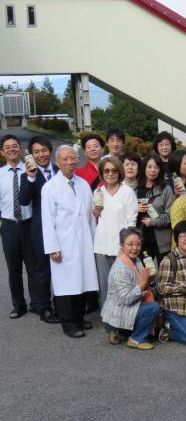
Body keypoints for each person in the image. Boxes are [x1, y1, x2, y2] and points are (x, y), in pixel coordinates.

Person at [41, 145, 99, 338]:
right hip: (63, 243)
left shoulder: (83, 184)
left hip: (83, 241)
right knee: (65, 284)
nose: (69, 162)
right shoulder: (50, 188)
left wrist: (94, 242)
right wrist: (52, 248)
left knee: (81, 281)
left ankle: (79, 317)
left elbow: (90, 216)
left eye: (72, 158)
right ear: (57, 162)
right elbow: (47, 221)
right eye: (65, 159)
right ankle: (68, 323)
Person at [17, 135, 59, 323]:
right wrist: (31, 177)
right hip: (41, 230)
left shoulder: (59, 170)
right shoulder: (27, 175)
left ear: (50, 151)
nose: (41, 155)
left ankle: (62, 305)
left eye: (44, 150)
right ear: (32, 155)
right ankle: (44, 308)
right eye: (37, 152)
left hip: (63, 229)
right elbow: (24, 200)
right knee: (42, 270)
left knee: (62, 268)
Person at [101, 227, 160, 350]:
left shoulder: (135, 259)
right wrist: (143, 284)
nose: (135, 248)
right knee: (153, 308)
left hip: (127, 306)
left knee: (156, 303)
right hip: (120, 310)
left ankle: (117, 330)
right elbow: (126, 299)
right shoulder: (120, 268)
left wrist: (150, 279)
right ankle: (135, 339)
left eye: (138, 244)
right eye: (130, 244)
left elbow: (144, 283)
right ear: (122, 245)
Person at [93, 157, 138, 307]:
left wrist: (128, 245)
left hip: (121, 246)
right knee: (105, 284)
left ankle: (123, 314)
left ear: (119, 172)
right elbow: (94, 217)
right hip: (101, 244)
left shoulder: (127, 192)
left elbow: (131, 221)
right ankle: (107, 315)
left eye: (114, 170)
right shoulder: (98, 191)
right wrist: (95, 212)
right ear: (102, 173)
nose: (110, 174)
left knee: (122, 284)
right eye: (106, 171)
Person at [0, 134, 36, 319]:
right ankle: (19, 305)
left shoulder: (31, 170)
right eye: (7, 147)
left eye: (15, 146)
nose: (12, 149)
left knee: (33, 267)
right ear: (2, 152)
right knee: (13, 269)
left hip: (29, 224)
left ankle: (37, 303)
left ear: (20, 149)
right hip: (9, 226)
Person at [137, 152, 174, 263]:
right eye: (149, 167)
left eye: (156, 167)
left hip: (162, 241)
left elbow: (169, 216)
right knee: (145, 271)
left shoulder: (166, 189)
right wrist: (136, 209)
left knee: (164, 270)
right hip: (141, 239)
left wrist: (153, 222)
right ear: (144, 168)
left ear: (160, 170)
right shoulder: (136, 188)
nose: (152, 170)